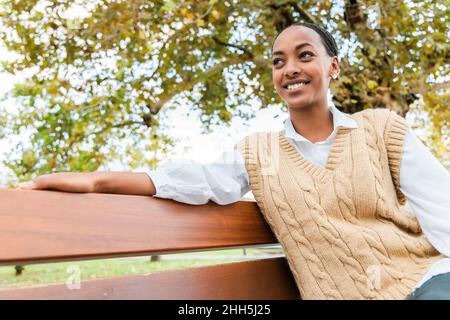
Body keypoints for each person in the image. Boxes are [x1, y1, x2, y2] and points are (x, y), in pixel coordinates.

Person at [18, 22, 450, 300]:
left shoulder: (382, 129)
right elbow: (191, 180)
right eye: (279, 62)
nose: (290, 68)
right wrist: (96, 183)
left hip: (428, 281)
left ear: (332, 66)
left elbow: (443, 207)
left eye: (305, 55)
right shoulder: (257, 152)